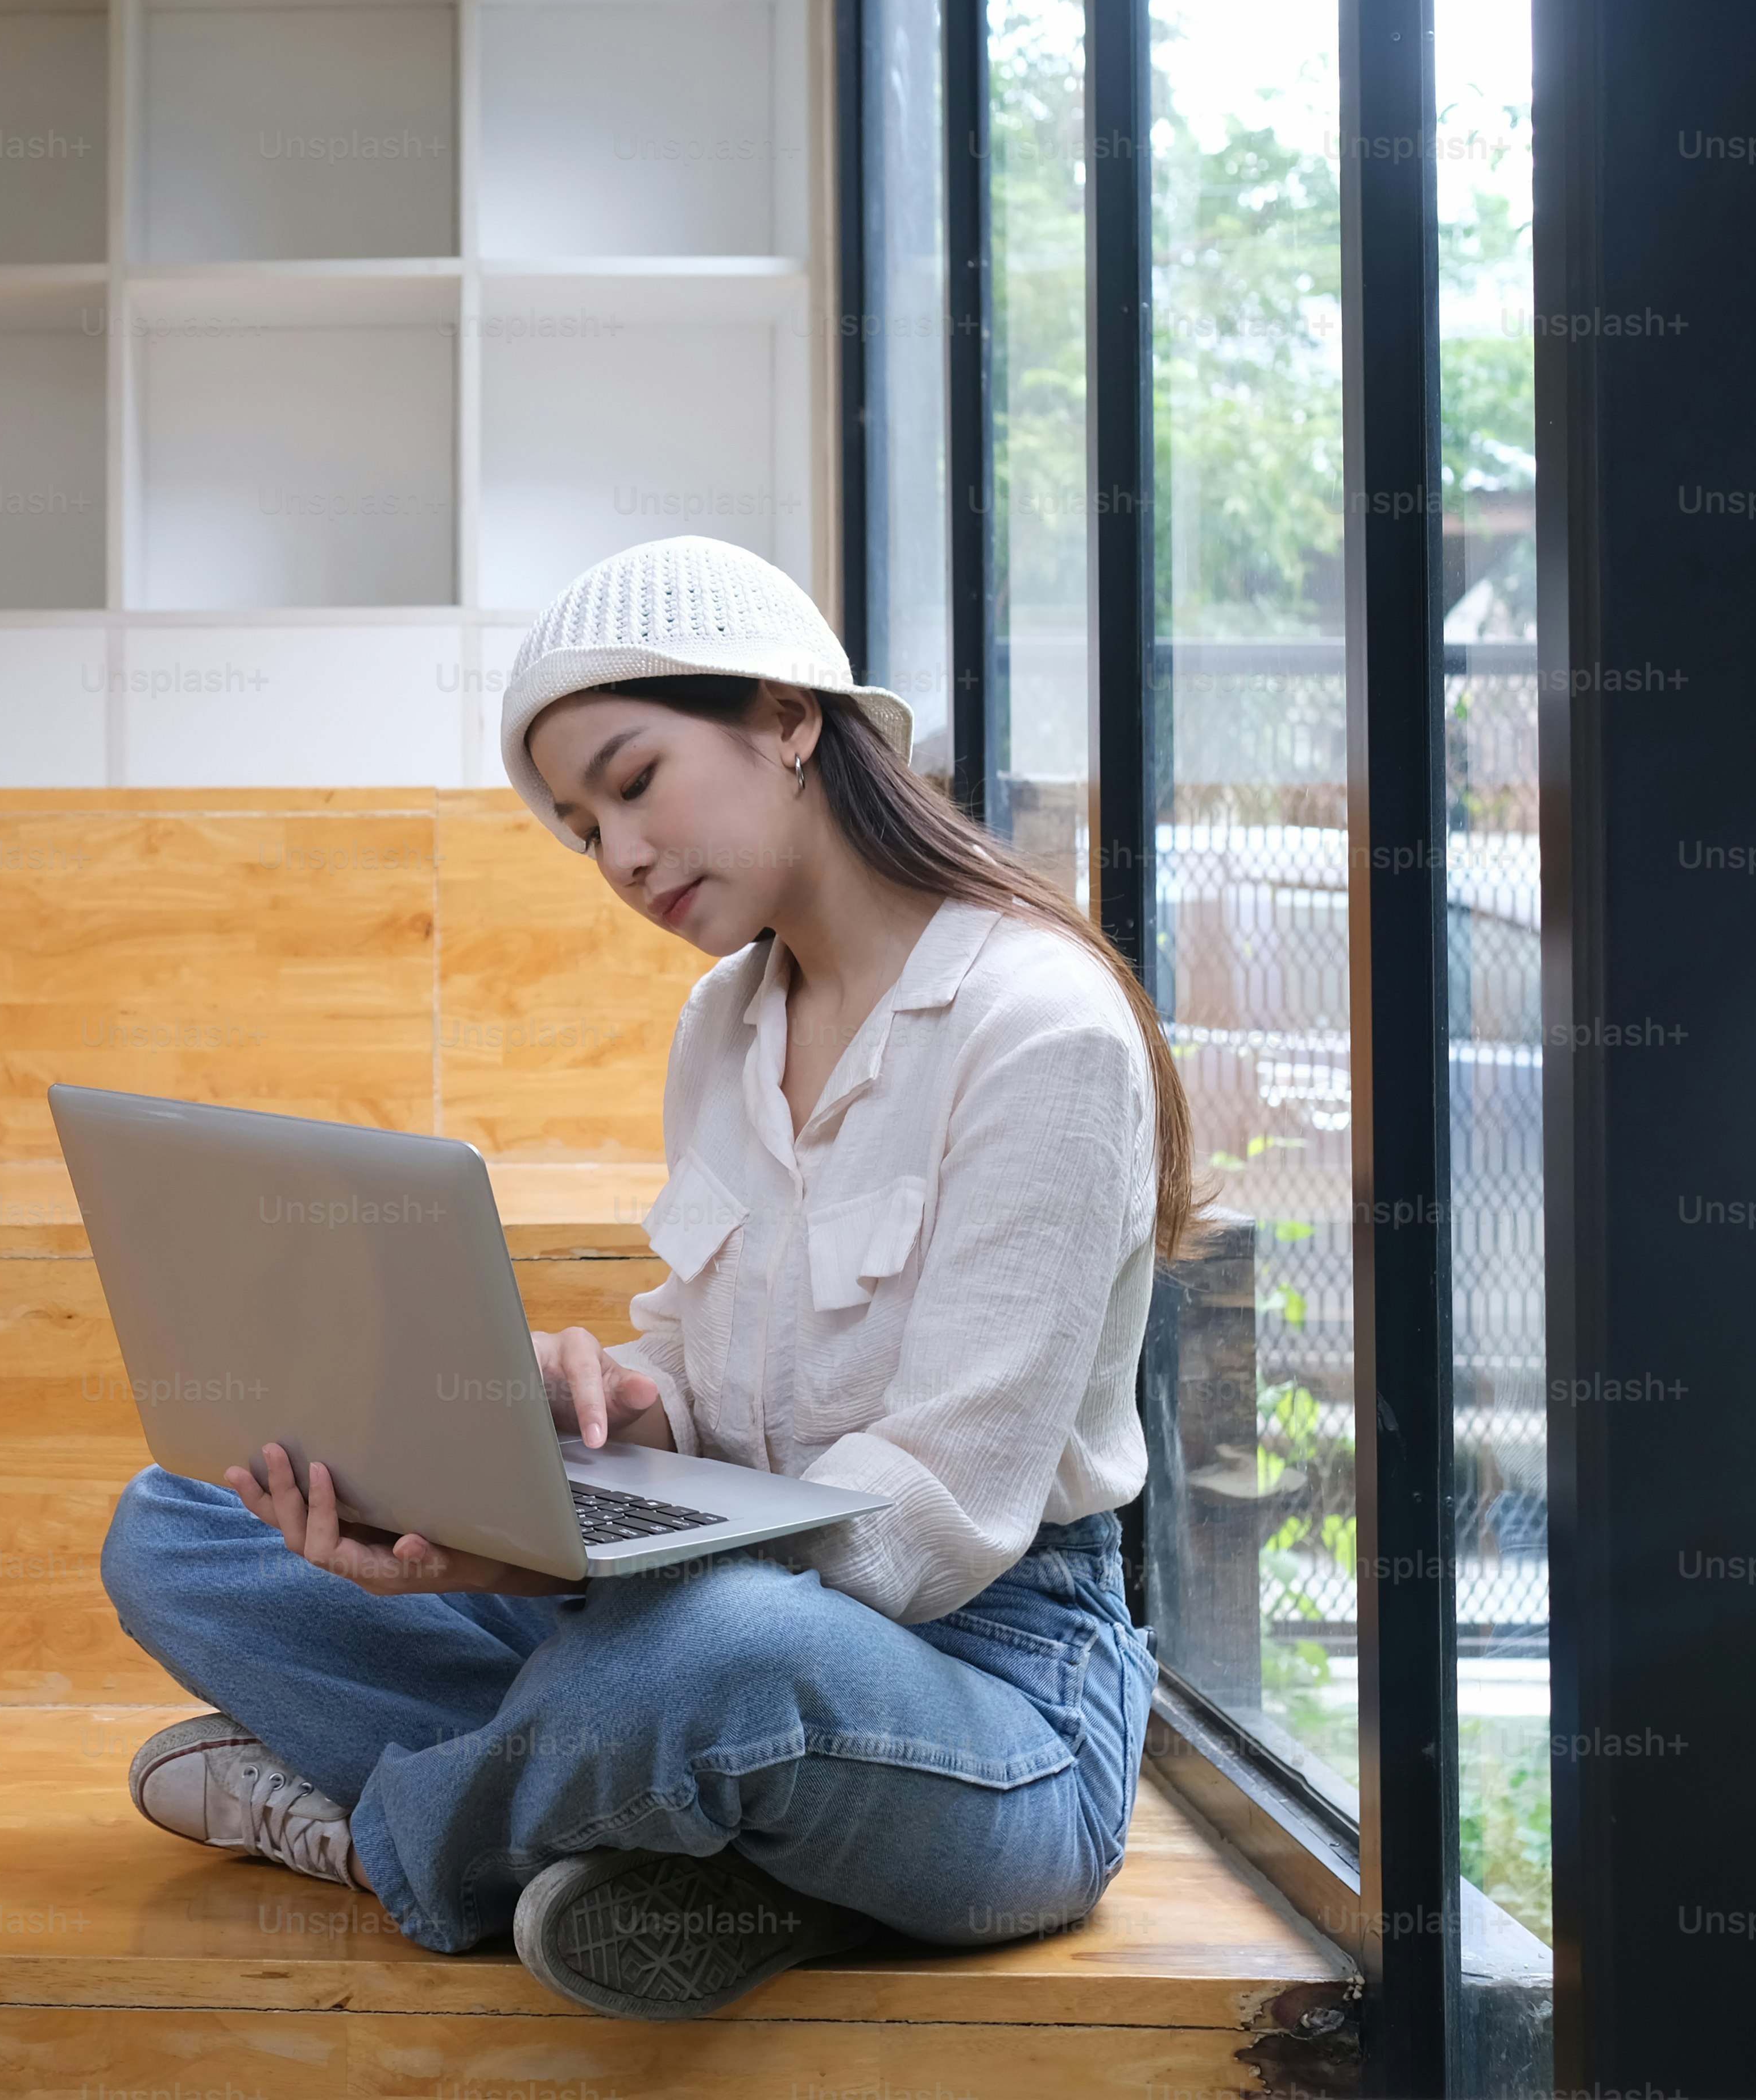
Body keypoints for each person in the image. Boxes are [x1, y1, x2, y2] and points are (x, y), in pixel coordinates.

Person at [95, 535, 1189, 2020]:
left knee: (712, 1655)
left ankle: (392, 1837)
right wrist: (600, 1415)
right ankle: (669, 1838)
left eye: (631, 780)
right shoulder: (721, 1027)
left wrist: (583, 1565)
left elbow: (934, 1529)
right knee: (183, 1524)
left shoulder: (1038, 1031)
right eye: (577, 827)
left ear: (790, 717)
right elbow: (705, 1375)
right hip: (697, 1616)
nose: (617, 856)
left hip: (988, 1696)